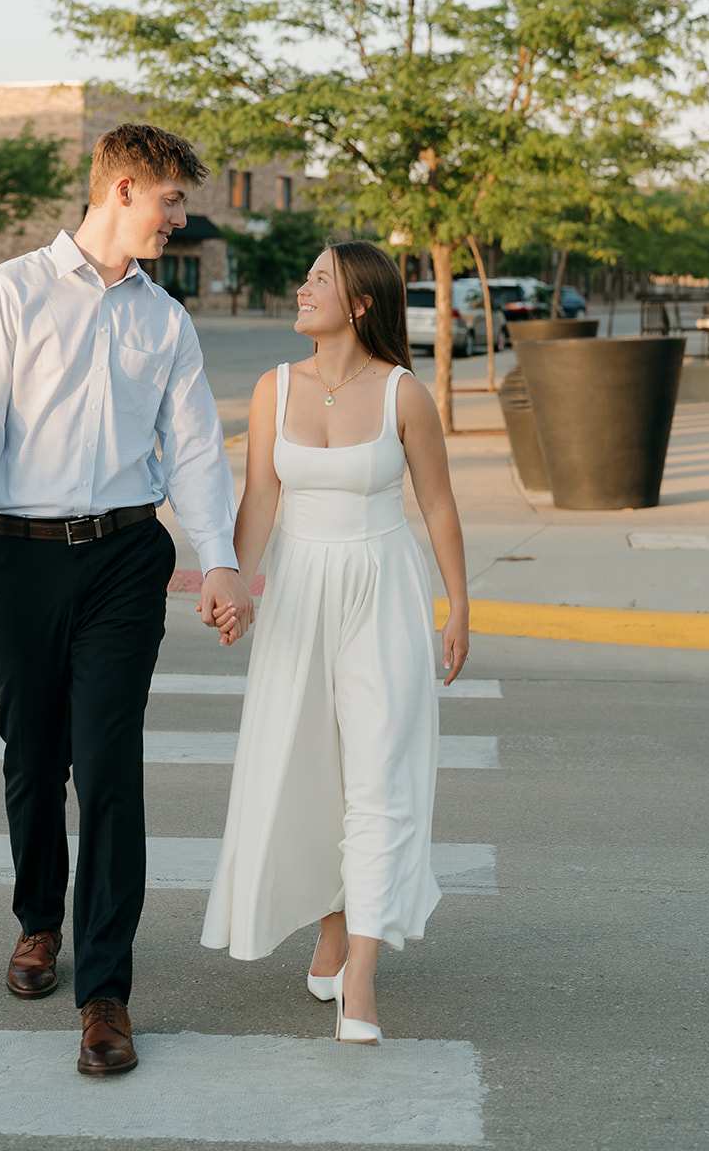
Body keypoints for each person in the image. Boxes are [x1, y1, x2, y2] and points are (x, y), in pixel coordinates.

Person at [0, 122, 253, 1077]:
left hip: (123, 558)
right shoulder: (12, 292)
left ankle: (105, 991)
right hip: (19, 556)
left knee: (109, 765)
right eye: (169, 201)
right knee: (34, 756)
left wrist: (220, 559)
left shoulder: (166, 319)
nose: (178, 218)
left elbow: (194, 450)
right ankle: (40, 923)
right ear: (120, 189)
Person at [201, 241, 469, 1043]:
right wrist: (235, 587)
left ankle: (360, 973)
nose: (302, 287)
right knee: (311, 772)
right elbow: (258, 500)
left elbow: (440, 507)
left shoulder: (402, 395)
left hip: (382, 588)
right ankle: (328, 931)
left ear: (358, 304)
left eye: (320, 279)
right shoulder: (272, 388)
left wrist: (458, 607)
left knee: (378, 777)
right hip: (297, 594)